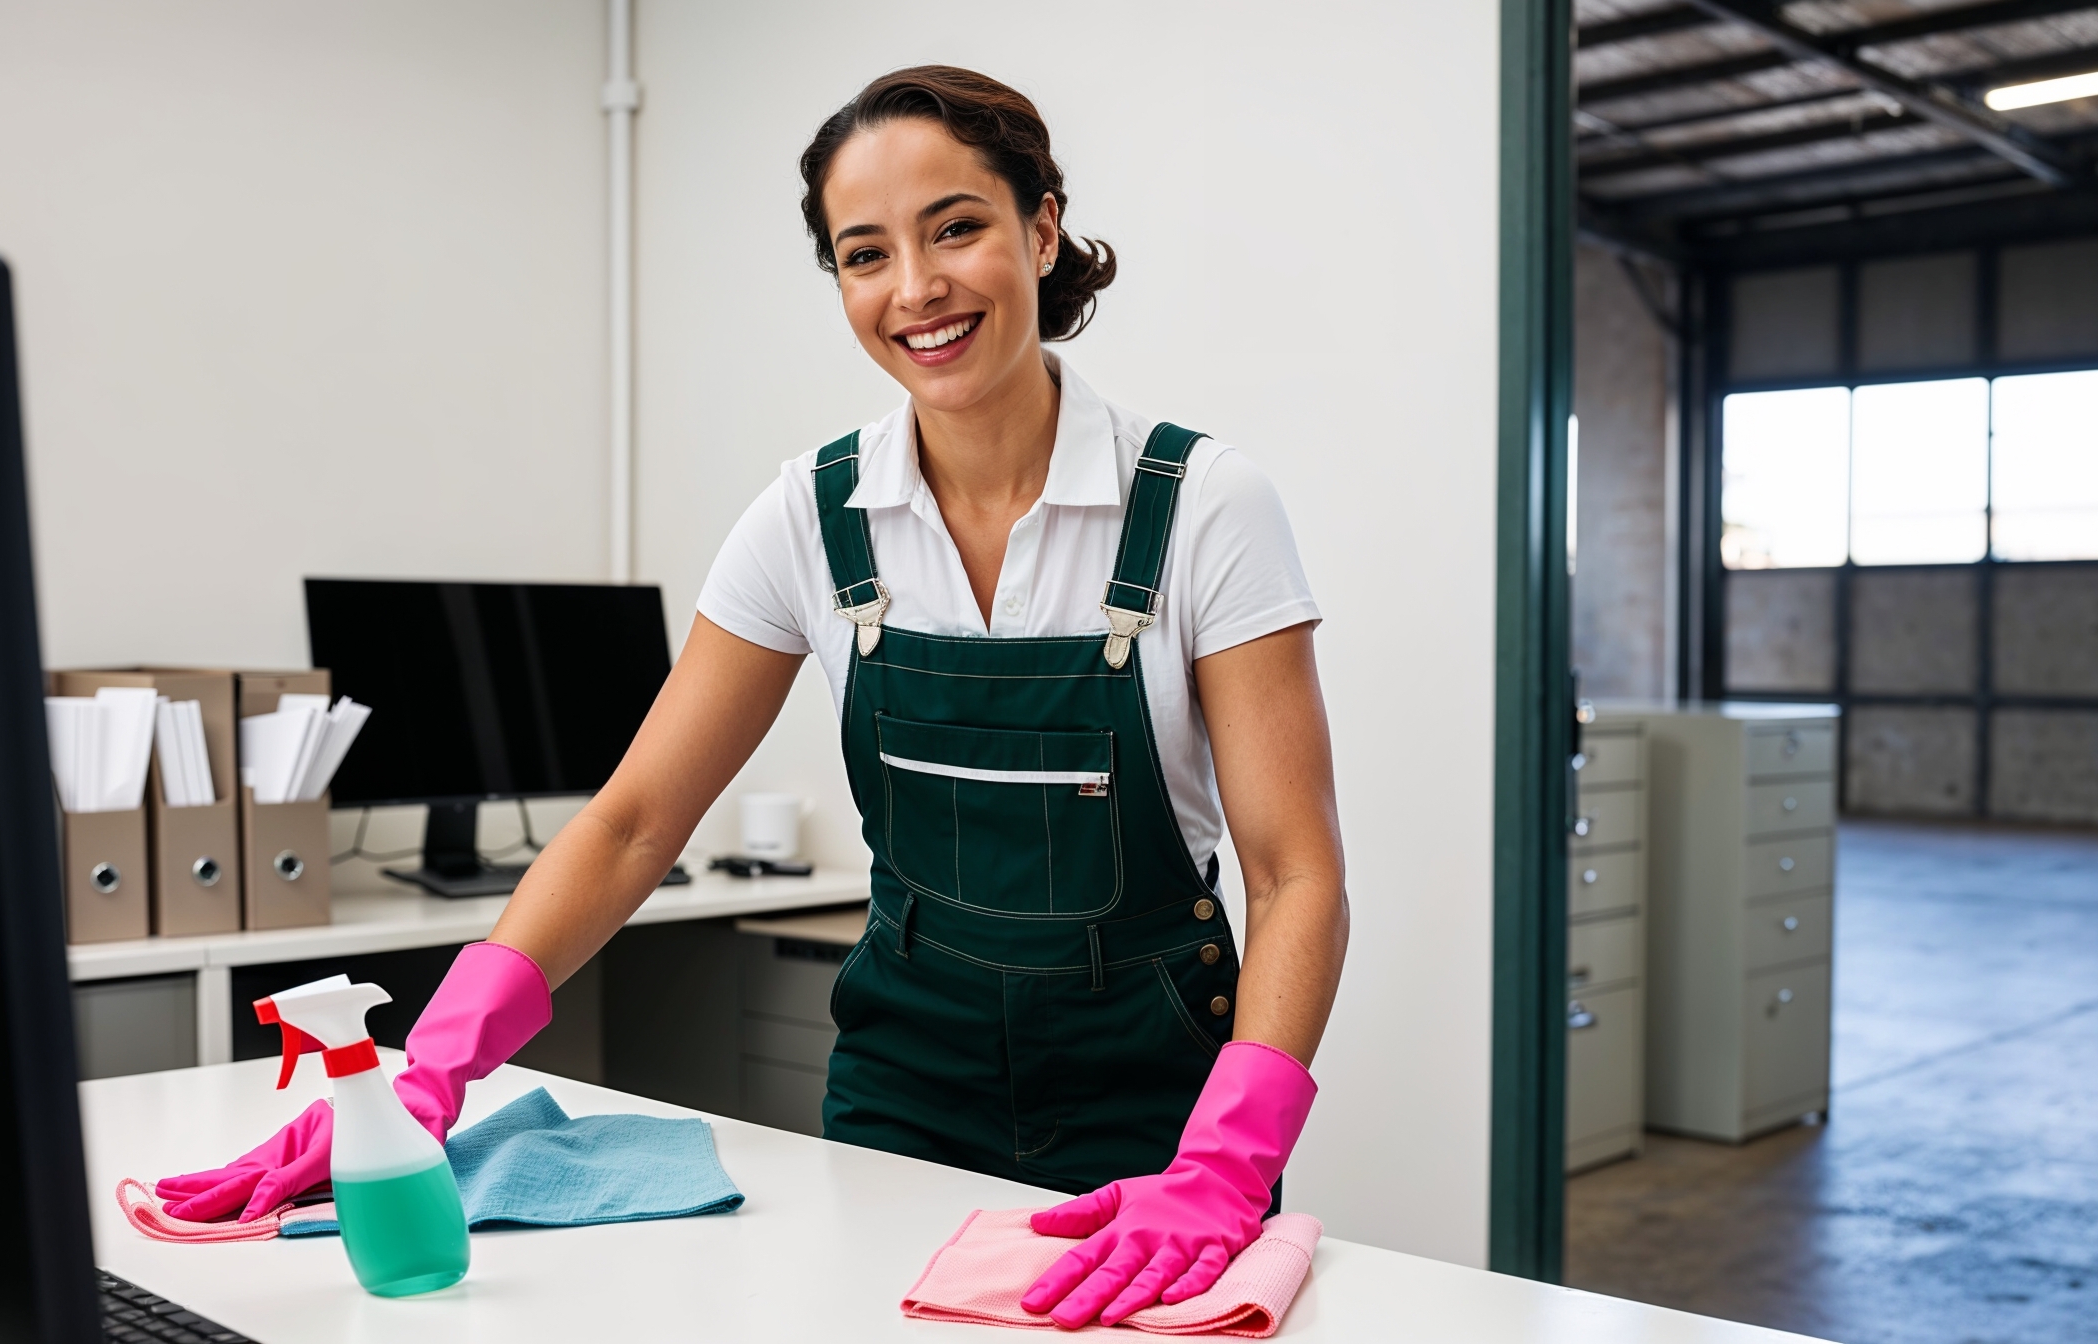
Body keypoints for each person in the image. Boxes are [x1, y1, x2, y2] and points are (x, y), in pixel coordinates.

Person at [158, 65, 1348, 1329]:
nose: (916, 290)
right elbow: (632, 825)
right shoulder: (810, 516)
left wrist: (1223, 1164)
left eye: (956, 227)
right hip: (904, 1080)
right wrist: (429, 1071)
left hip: (1157, 1097)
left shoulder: (1203, 505)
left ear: (1040, 229)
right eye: (863, 254)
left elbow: (1293, 876)